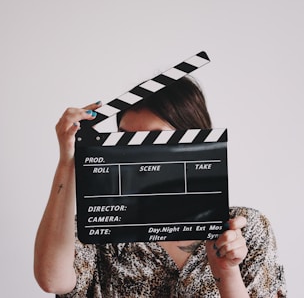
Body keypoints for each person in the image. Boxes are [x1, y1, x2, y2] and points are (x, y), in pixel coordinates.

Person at [34, 76, 286, 297]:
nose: (134, 155)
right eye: (125, 139)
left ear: (193, 142)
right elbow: (52, 279)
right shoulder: (100, 226)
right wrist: (68, 160)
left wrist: (226, 272)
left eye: (153, 139)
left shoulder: (245, 230)